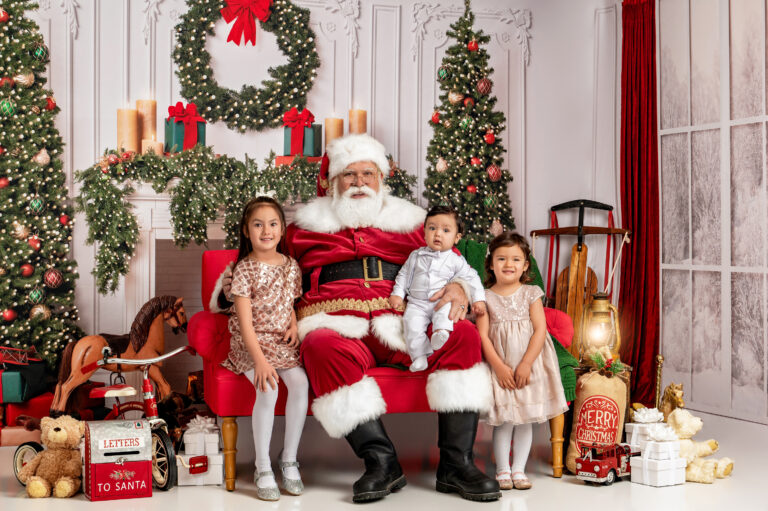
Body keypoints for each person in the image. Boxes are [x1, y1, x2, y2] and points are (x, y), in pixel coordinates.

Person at [212, 134, 499, 503]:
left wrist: (460, 285)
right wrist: (229, 292)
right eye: (349, 175)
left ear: (381, 179)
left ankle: (456, 465)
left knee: (462, 336)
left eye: (368, 173)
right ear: (333, 182)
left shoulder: (413, 224)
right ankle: (382, 462)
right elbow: (258, 262)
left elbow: (453, 259)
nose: (359, 182)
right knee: (318, 346)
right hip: (335, 323)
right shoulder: (303, 229)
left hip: (403, 320)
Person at [222, 196, 308, 501]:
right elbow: (245, 325)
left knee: (300, 383)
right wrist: (259, 362)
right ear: (247, 231)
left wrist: (295, 325)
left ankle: (289, 459)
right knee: (268, 389)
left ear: (282, 230)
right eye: (258, 225)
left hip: (279, 342)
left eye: (272, 224)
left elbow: (291, 305)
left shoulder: (291, 267)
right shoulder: (244, 270)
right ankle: (262, 466)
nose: (266, 230)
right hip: (251, 344)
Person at [476, 232, 568, 490]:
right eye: (502, 258)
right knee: (505, 420)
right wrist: (498, 366)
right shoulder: (485, 297)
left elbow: (540, 330)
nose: (509, 264)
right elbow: (482, 334)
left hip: (530, 364)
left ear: (525, 265)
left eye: (516, 259)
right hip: (501, 366)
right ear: (491, 263)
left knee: (525, 419)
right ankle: (503, 470)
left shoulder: (531, 293)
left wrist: (526, 363)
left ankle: (519, 470)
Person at [389, 205, 486, 372]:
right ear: (425, 233)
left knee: (445, 313)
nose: (438, 234)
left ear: (457, 238)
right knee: (411, 324)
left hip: (440, 301)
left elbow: (472, 278)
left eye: (446, 230)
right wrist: (397, 294)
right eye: (432, 228)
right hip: (416, 303)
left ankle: (441, 332)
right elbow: (404, 275)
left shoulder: (456, 259)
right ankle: (419, 357)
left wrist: (479, 299)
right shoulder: (416, 256)